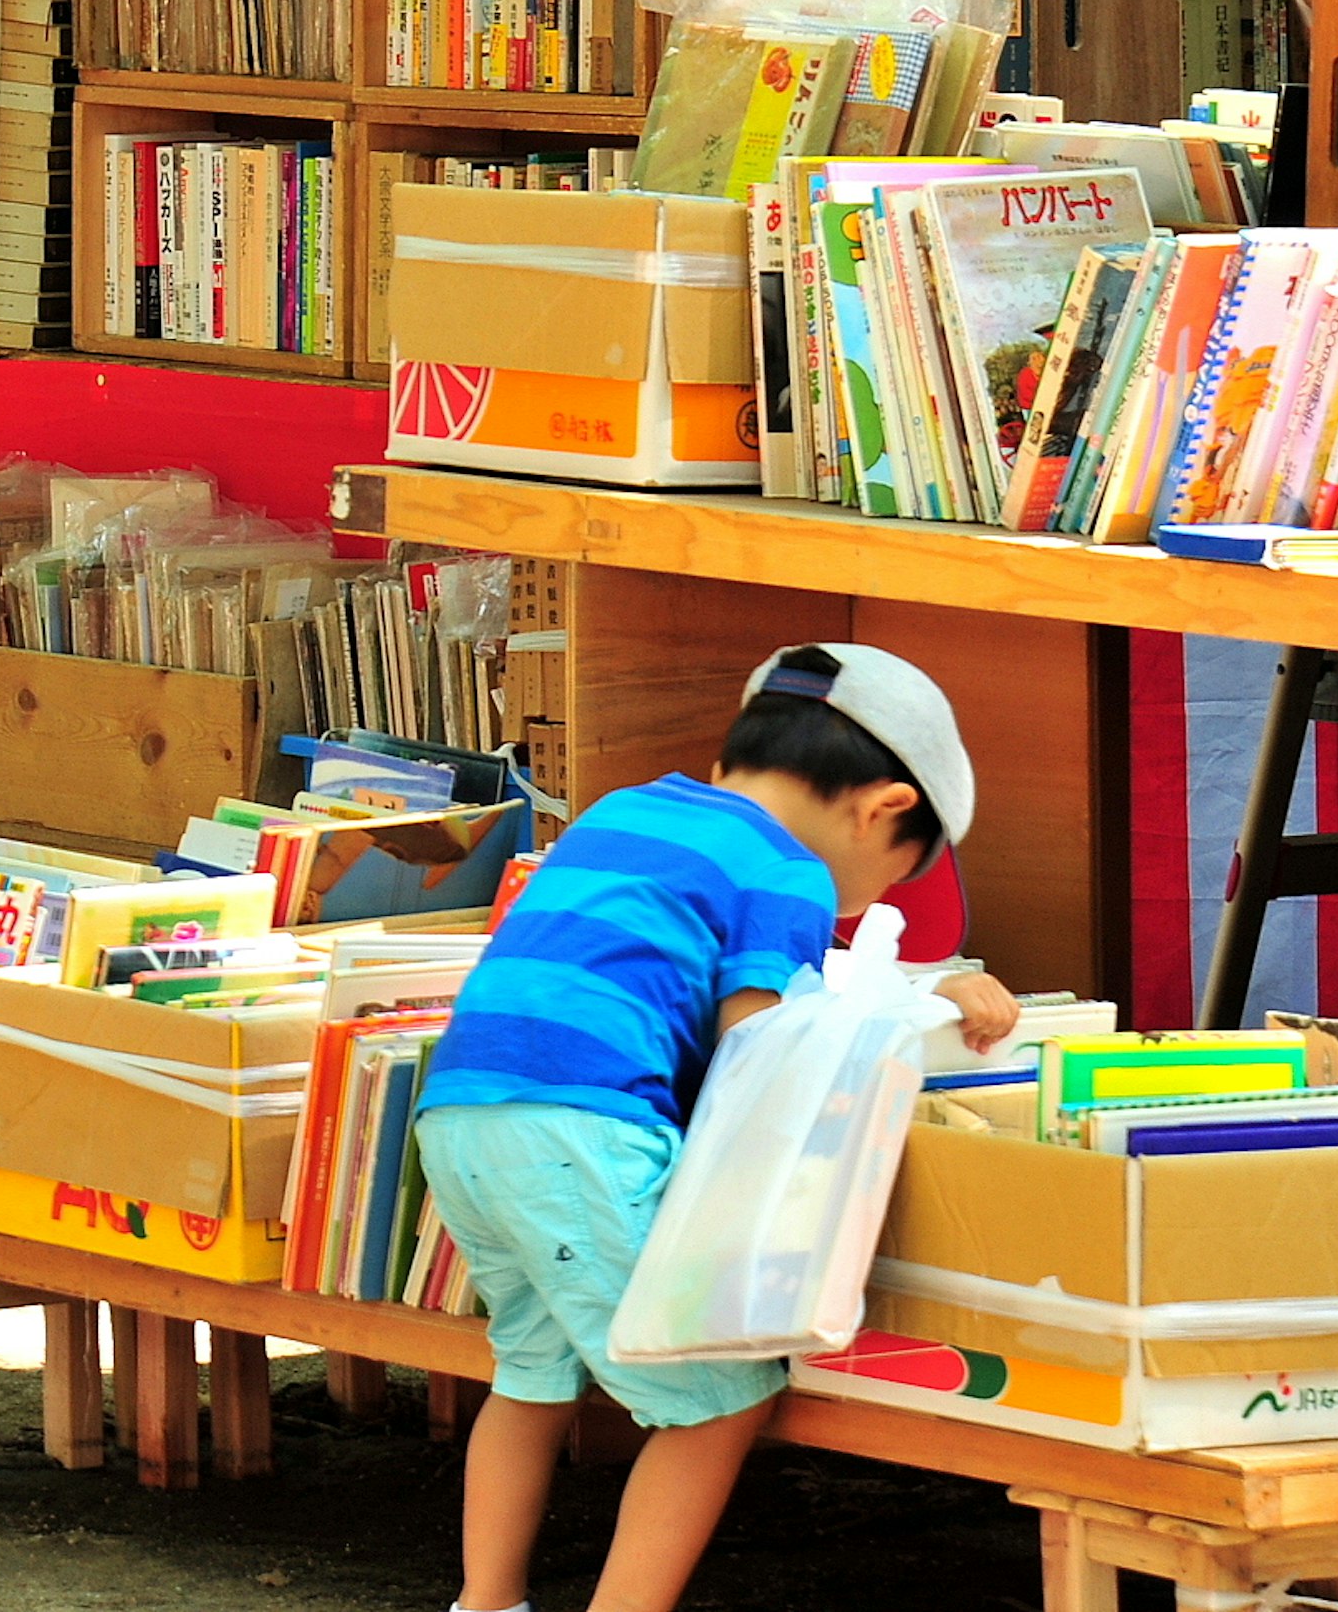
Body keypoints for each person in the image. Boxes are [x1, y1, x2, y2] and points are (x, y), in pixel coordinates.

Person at [411, 644, 1017, 1612]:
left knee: (531, 1370)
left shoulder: (624, 808)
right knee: (720, 1399)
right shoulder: (788, 871)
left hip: (459, 1117)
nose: (869, 905)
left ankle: (489, 1602)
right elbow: (759, 1055)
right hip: (585, 1129)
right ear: (883, 808)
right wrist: (924, 1002)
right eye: (893, 879)